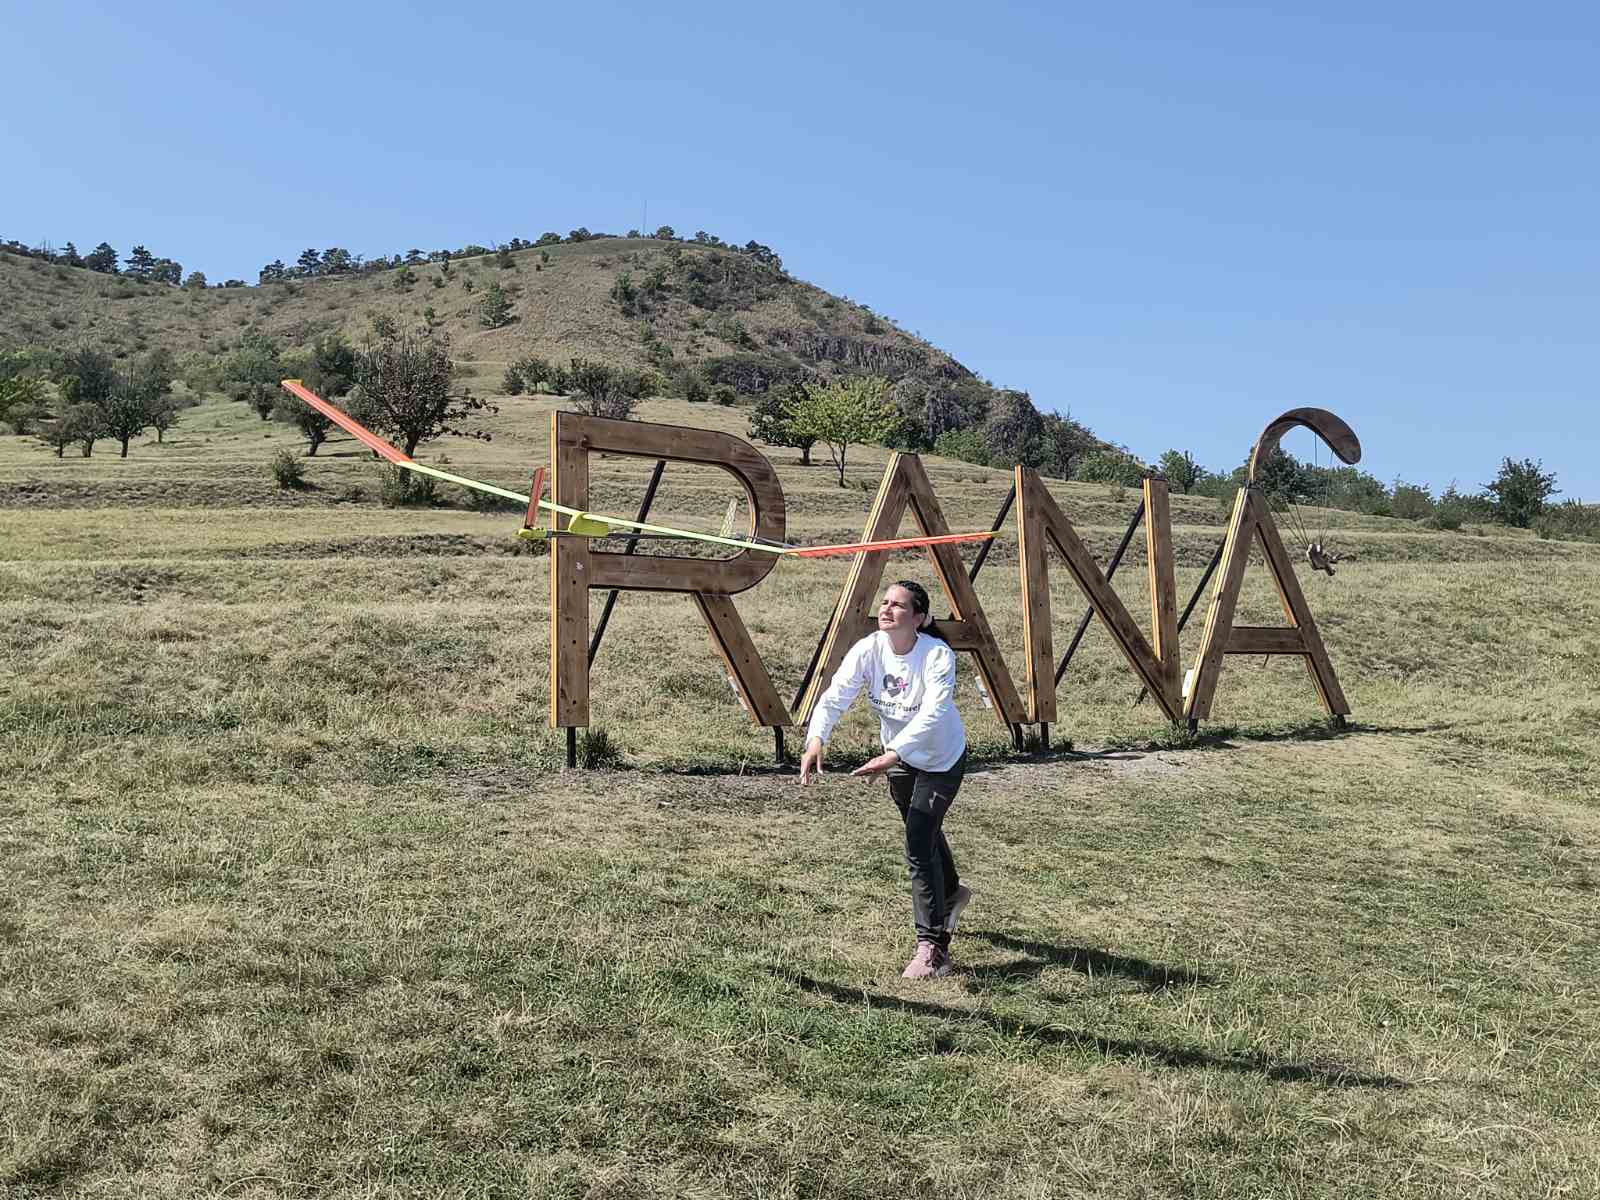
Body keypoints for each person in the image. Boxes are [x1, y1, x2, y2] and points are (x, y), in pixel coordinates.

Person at [799, 580, 972, 979]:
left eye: (898, 605)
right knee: (921, 831)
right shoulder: (870, 648)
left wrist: (893, 753)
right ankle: (951, 893)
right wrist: (816, 739)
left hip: (941, 759)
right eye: (885, 602)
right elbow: (835, 695)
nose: (887, 609)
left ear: (919, 618)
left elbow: (934, 712)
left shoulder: (937, 654)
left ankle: (933, 950)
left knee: (918, 842)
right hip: (899, 758)